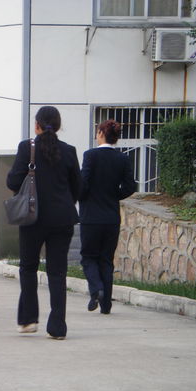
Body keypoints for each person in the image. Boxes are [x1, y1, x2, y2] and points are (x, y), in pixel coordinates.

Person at [7, 106, 81, 340]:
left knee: (28, 268)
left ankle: (29, 320)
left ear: (37, 125)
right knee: (57, 272)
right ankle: (58, 327)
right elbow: (79, 187)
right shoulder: (69, 151)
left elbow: (12, 181)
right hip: (62, 219)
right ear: (58, 126)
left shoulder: (26, 148)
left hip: (32, 217)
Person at [79, 120, 136, 314]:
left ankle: (96, 290)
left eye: (97, 131)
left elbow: (83, 184)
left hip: (91, 217)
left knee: (88, 258)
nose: (96, 134)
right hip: (111, 218)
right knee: (106, 260)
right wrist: (114, 196)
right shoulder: (122, 159)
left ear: (102, 133)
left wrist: (82, 196)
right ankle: (106, 306)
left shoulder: (90, 156)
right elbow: (130, 187)